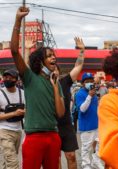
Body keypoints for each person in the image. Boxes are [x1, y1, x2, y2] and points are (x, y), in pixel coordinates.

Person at [11, 6, 65, 169]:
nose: (53, 57)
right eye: (49, 56)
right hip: (34, 138)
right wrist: (18, 20)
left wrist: (55, 86)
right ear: (40, 61)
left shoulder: (55, 82)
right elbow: (14, 51)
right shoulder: (29, 77)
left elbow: (60, 113)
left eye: (53, 55)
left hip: (53, 136)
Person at [57, 37, 85, 169]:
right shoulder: (43, 84)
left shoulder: (65, 81)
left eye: (56, 70)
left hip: (66, 125)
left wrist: (81, 51)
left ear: (59, 73)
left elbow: (78, 66)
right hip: (51, 126)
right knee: (55, 159)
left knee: (71, 156)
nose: (53, 72)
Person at [0, 69, 25, 169]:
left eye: (10, 77)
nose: (7, 79)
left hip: (18, 131)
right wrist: (14, 113)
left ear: (16, 80)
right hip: (4, 131)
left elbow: (29, 108)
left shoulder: (22, 93)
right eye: (5, 77)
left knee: (7, 161)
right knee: (12, 162)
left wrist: (24, 111)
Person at [75, 72, 99, 169]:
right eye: (87, 81)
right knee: (85, 151)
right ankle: (86, 166)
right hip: (86, 128)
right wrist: (89, 96)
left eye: (91, 80)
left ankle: (95, 165)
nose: (90, 82)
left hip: (97, 126)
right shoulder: (79, 94)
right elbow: (82, 109)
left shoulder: (94, 93)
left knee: (98, 149)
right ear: (83, 83)